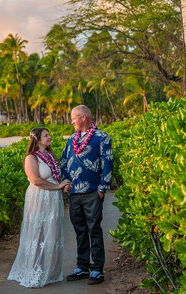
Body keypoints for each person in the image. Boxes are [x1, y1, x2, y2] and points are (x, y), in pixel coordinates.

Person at [8, 127, 72, 288]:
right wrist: (58, 187)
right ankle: (34, 272)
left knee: (51, 233)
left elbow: (55, 177)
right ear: (36, 139)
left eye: (49, 134)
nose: (49, 137)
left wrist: (63, 185)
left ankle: (48, 271)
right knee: (38, 234)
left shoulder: (50, 155)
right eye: (46, 135)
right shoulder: (31, 158)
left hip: (52, 199)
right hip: (38, 199)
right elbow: (36, 180)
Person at [60, 105, 113, 285]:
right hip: (74, 193)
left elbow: (108, 163)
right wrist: (66, 181)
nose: (72, 121)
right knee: (80, 231)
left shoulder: (102, 137)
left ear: (83, 117)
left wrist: (102, 188)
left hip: (92, 192)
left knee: (94, 229)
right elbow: (64, 162)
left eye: (74, 118)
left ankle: (97, 269)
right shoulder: (71, 140)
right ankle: (82, 266)